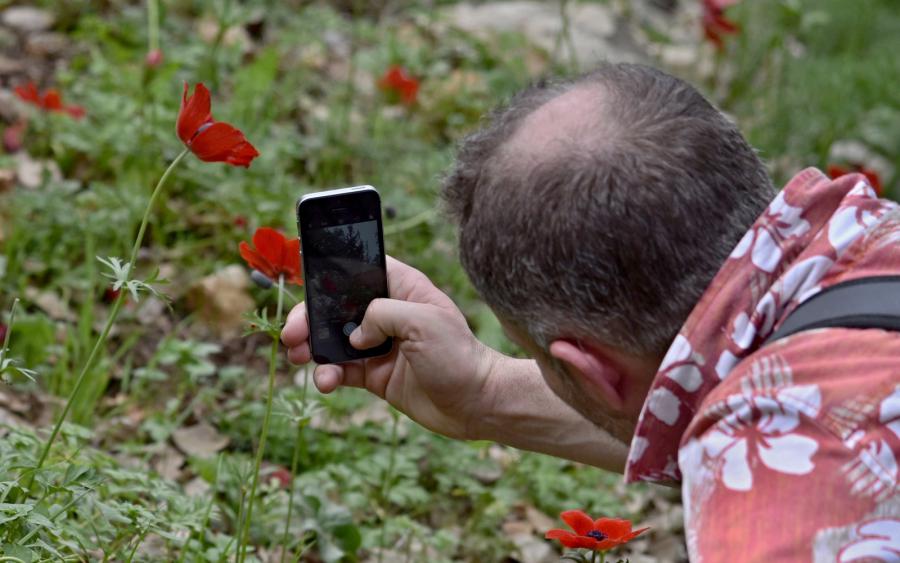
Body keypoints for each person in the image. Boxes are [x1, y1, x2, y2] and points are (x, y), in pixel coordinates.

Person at [281, 63, 900, 561]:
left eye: (548, 365)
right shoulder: (873, 242)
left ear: (590, 370)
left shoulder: (784, 515)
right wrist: (484, 391)